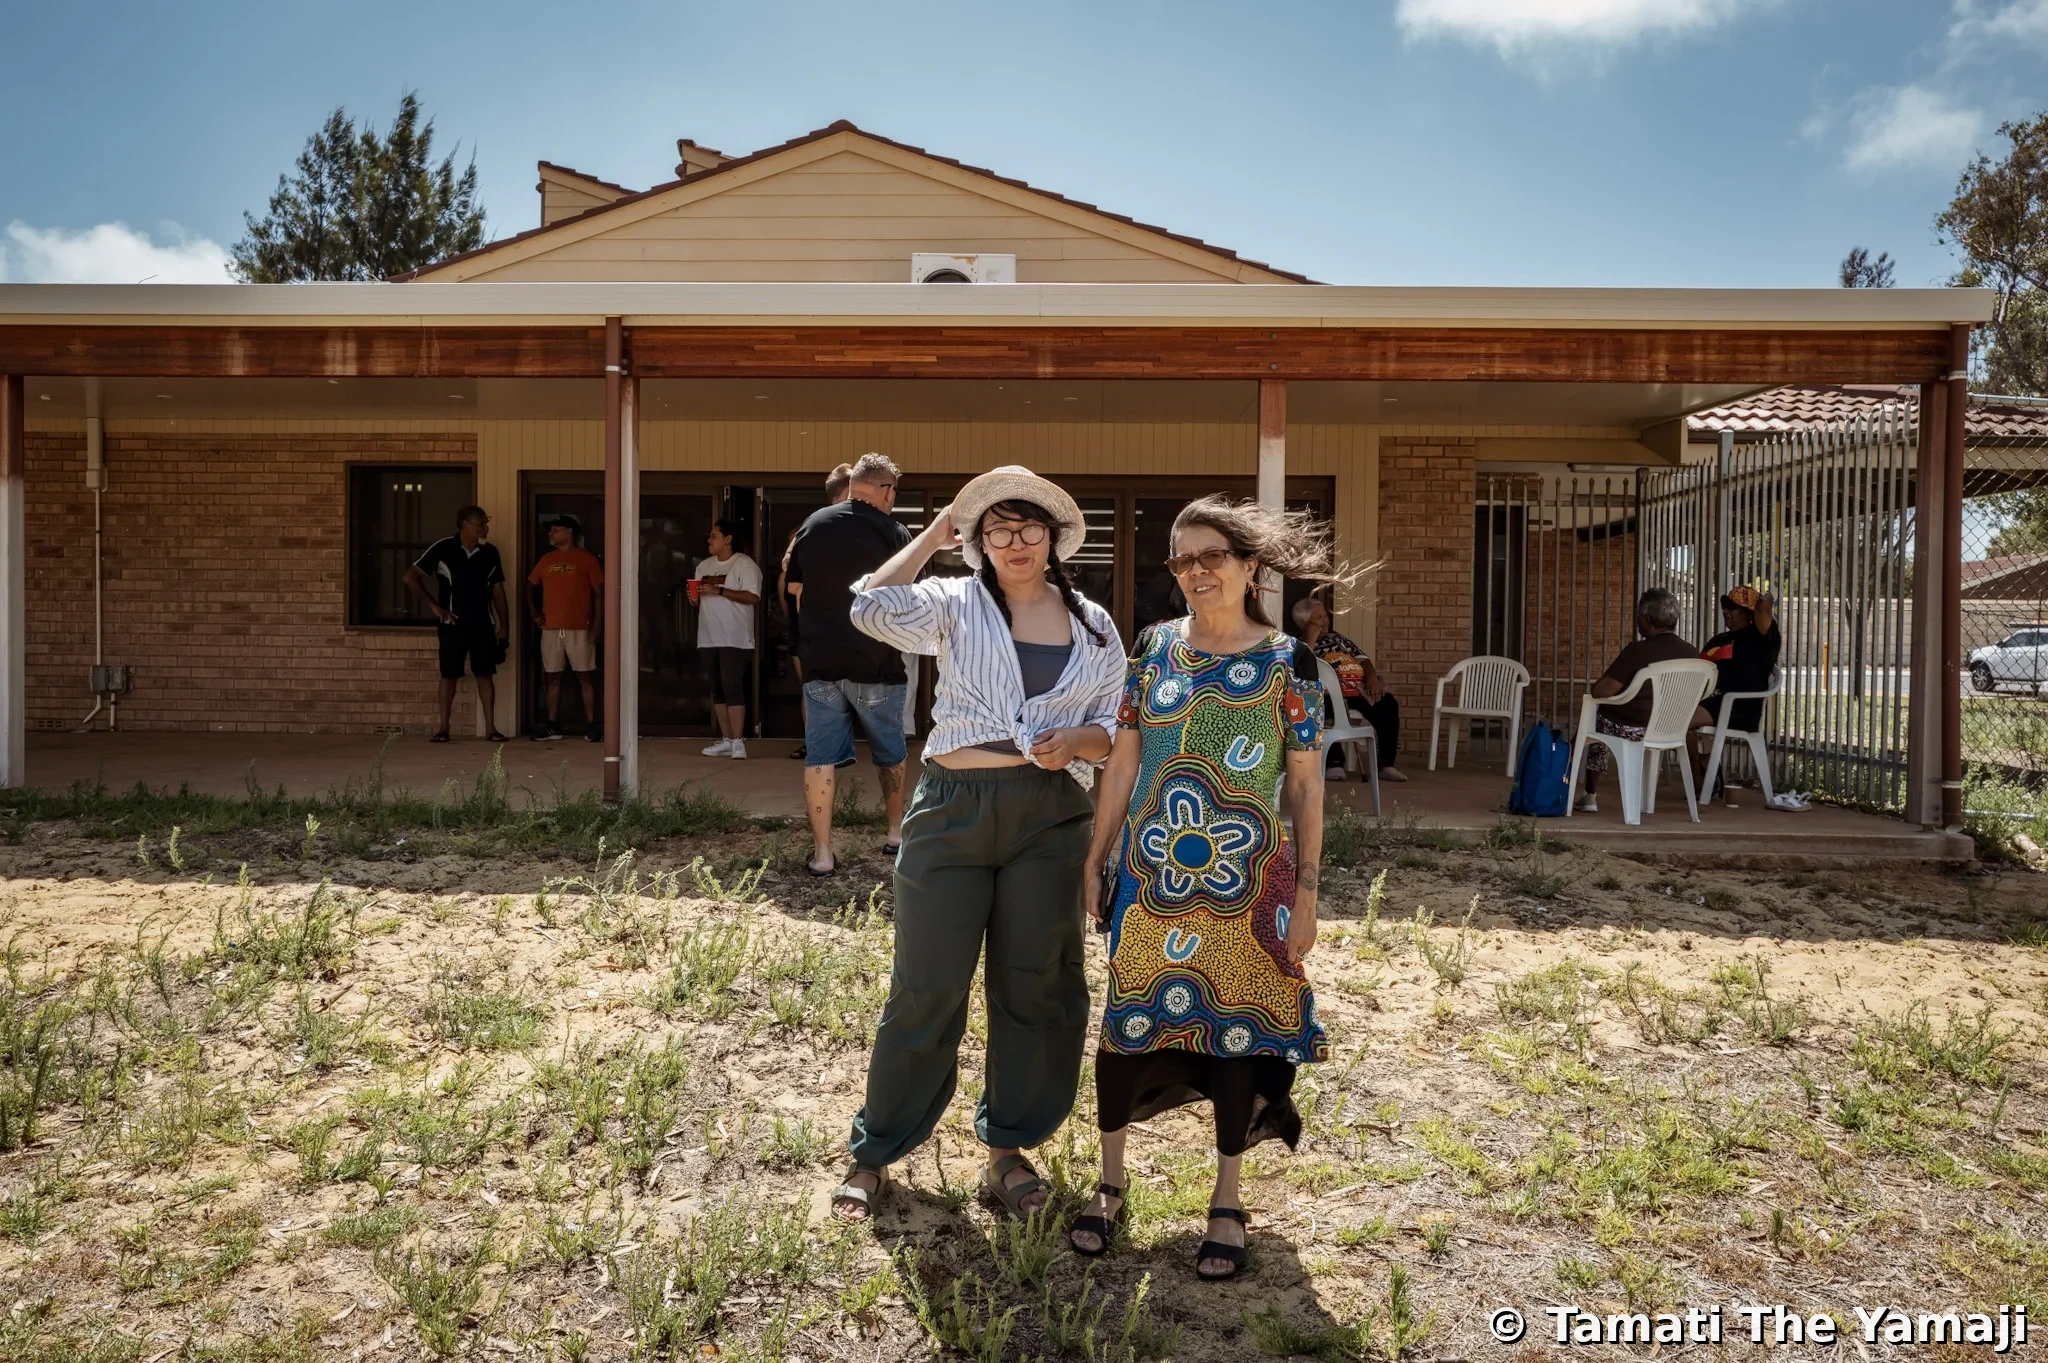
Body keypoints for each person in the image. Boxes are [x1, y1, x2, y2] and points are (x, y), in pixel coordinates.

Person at [828, 467, 1125, 1226]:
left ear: (1054, 538)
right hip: (954, 809)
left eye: (1030, 529)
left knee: (1038, 984)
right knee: (925, 983)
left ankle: (1009, 1151)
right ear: (979, 541)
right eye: (999, 530)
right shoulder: (954, 603)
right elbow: (869, 606)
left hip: (1050, 814)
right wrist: (932, 535)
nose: (1016, 543)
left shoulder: (1093, 623)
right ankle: (877, 1149)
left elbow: (1117, 730)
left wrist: (1078, 741)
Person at [1073, 494, 1332, 1281]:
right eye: (1182, 559)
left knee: (1235, 1037)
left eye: (1210, 556)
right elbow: (1121, 760)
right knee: (1126, 1026)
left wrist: (1309, 893)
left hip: (1247, 883)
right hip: (1153, 878)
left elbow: (1307, 787)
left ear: (1251, 566)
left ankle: (1226, 1201)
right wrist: (1096, 855)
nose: (1194, 571)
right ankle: (1111, 1183)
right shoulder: (1151, 648)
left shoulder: (1291, 662)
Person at [784, 454, 911, 873]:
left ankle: (822, 854)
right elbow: (912, 597)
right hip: (876, 661)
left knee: (819, 757)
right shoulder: (893, 531)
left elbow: (794, 585)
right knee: (889, 754)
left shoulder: (814, 524)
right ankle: (895, 835)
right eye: (894, 491)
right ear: (886, 489)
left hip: (820, 661)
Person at [1575, 587, 1707, 814]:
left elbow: (1602, 690)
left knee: (1595, 718)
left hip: (1633, 727)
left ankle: (1590, 794)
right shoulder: (1692, 653)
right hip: (1672, 729)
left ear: (1646, 619)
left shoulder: (1638, 651)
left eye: (1638, 616)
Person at [403, 505, 509, 743]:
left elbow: (499, 591)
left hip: (483, 622)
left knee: (485, 674)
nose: (486, 528)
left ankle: (491, 729)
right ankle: (443, 728)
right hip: (452, 623)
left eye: (485, 522)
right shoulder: (444, 548)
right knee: (449, 674)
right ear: (465, 525)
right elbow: (410, 576)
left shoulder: (490, 552)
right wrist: (434, 606)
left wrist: (505, 626)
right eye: (481, 523)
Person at [784, 464, 857, 762]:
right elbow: (791, 582)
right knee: (815, 691)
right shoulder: (814, 528)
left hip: (844, 629)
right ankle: (819, 748)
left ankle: (837, 748)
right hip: (815, 629)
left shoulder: (855, 527)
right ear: (847, 493)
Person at [1291, 597, 1406, 783]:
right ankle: (1334, 764)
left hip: (1354, 690)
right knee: (1312, 706)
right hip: (1324, 694)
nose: (1326, 620)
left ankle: (1386, 765)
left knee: (1387, 704)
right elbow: (1300, 670)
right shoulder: (1296, 644)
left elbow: (1363, 659)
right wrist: (1311, 640)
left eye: (1325, 616)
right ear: (1305, 622)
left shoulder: (1338, 639)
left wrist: (1372, 678)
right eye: (1319, 617)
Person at [1694, 584, 1781, 796]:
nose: (1725, 610)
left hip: (1738, 707)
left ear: (1748, 613)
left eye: (1732, 607)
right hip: (1709, 700)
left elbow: (1762, 608)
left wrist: (1767, 598)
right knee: (1672, 717)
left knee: (1678, 719)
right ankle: (1702, 771)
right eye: (1725, 606)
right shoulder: (1720, 639)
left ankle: (1702, 775)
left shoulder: (1762, 638)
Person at [525, 515, 603, 743]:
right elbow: (529, 585)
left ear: (569, 532)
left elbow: (599, 594)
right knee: (552, 677)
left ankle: (591, 725)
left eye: (555, 530)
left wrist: (598, 624)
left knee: (585, 675)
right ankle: (552, 726)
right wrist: (534, 613)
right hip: (551, 628)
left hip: (580, 628)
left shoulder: (587, 559)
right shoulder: (546, 559)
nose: (550, 534)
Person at [696, 519, 762, 759]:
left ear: (728, 539)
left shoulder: (744, 565)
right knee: (717, 689)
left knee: (732, 686)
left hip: (735, 637)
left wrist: (720, 590)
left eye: (714, 536)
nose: (709, 540)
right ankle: (726, 739)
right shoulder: (703, 566)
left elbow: (753, 596)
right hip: (708, 636)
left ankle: (738, 741)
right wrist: (694, 597)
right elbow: (700, 598)